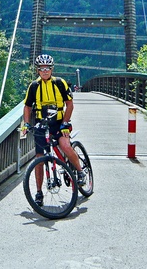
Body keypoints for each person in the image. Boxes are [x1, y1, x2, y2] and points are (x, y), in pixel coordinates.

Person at [22, 53, 86, 206]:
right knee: (39, 158)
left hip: (58, 123)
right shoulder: (34, 86)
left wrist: (65, 123)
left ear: (52, 69)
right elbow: (27, 106)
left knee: (64, 146)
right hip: (41, 125)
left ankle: (80, 172)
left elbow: (69, 104)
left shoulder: (60, 83)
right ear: (38, 70)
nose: (45, 71)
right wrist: (26, 123)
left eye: (48, 68)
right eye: (42, 69)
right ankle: (38, 193)